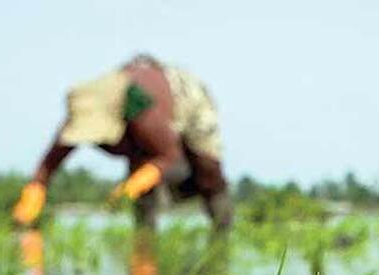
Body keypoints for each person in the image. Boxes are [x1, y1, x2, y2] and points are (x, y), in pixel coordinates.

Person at [13, 55, 232, 230]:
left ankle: (222, 230)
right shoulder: (82, 108)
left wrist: (133, 185)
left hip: (186, 100)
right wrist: (35, 191)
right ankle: (145, 246)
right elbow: (49, 164)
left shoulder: (141, 111)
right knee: (143, 186)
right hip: (140, 131)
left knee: (208, 169)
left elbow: (169, 154)